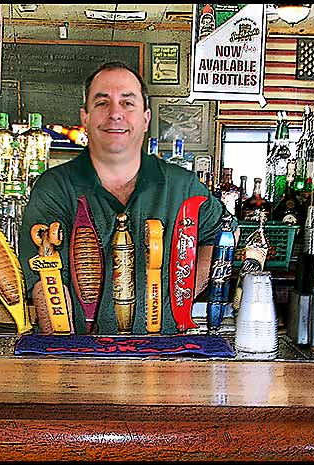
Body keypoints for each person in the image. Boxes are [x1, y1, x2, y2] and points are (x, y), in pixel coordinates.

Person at [19, 61, 233, 335]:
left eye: (127, 103)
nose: (115, 114)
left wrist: (185, 290)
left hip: (162, 356)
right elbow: (43, 278)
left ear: (145, 119)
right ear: (85, 118)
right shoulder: (55, 187)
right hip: (79, 359)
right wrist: (66, 353)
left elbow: (223, 233)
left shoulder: (183, 186)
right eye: (102, 103)